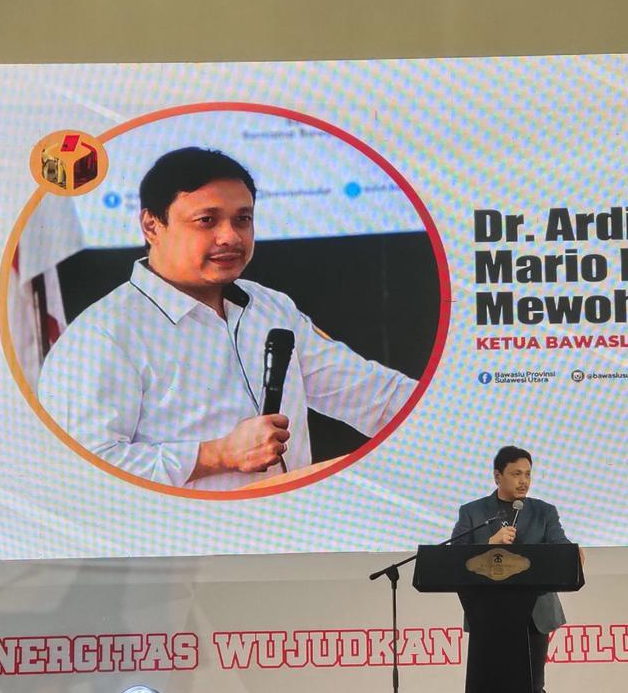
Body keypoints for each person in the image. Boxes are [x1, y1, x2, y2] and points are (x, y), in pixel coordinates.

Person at [38, 147, 417, 491]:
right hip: (192, 541)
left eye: (242, 219)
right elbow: (81, 469)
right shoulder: (104, 334)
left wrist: (440, 411)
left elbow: (373, 396)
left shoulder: (271, 307)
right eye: (207, 220)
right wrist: (217, 455)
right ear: (152, 226)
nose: (230, 237)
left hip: (296, 525)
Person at [451, 445, 570, 693]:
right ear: (497, 476)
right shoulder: (473, 513)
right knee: (489, 689)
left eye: (528, 474)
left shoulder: (544, 512)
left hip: (534, 615)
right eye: (516, 474)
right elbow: (454, 559)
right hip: (487, 615)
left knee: (533, 688)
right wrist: (488, 543)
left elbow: (559, 545)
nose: (524, 481)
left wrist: (573, 552)